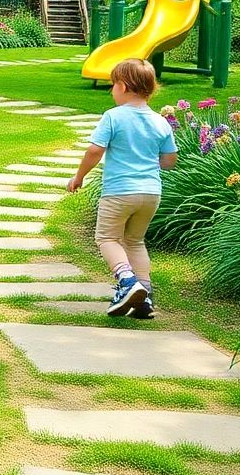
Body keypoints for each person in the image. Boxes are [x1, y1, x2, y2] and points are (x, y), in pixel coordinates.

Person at [65, 58, 177, 318]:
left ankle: (127, 281)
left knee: (107, 238)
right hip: (151, 193)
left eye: (112, 84)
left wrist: (79, 176)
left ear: (124, 86)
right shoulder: (160, 121)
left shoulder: (113, 117)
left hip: (119, 191)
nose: (111, 90)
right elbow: (170, 161)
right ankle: (145, 297)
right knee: (135, 241)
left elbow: (95, 150)